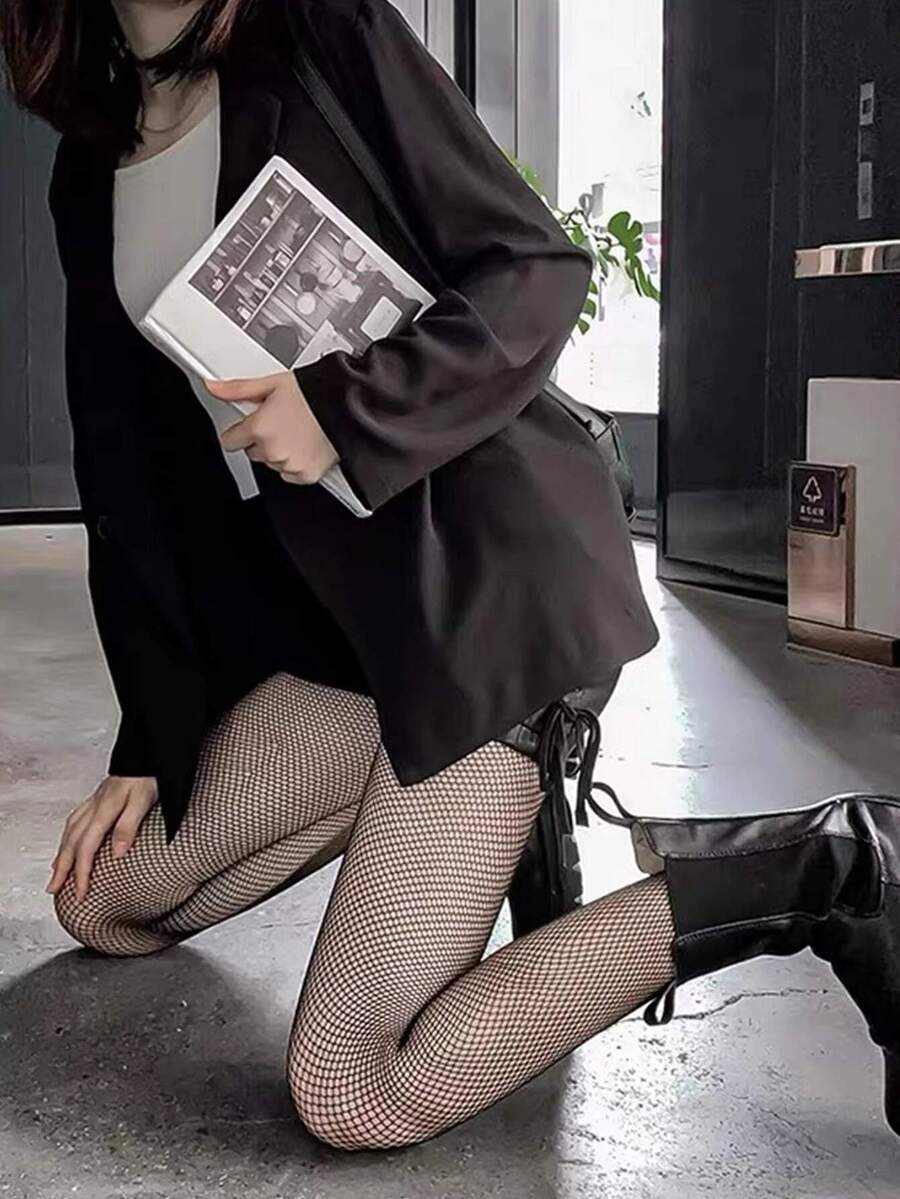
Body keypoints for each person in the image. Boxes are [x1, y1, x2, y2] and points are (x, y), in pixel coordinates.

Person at [3, 0, 900, 1155]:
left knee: (351, 1087)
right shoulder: (90, 161)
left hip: (488, 584)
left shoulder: (321, 34)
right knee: (99, 900)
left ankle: (831, 868)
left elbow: (536, 265)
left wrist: (342, 413)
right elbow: (129, 473)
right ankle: (476, 823)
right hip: (357, 642)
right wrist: (148, 735)